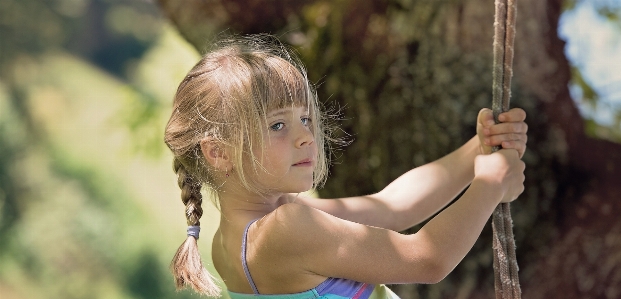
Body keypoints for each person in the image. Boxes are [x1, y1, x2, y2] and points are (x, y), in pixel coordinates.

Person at [163, 34, 527, 298]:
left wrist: (476, 151)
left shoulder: (238, 238)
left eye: (305, 118)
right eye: (277, 125)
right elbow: (428, 259)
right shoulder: (286, 230)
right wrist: (490, 184)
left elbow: (394, 208)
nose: (305, 136)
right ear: (219, 153)